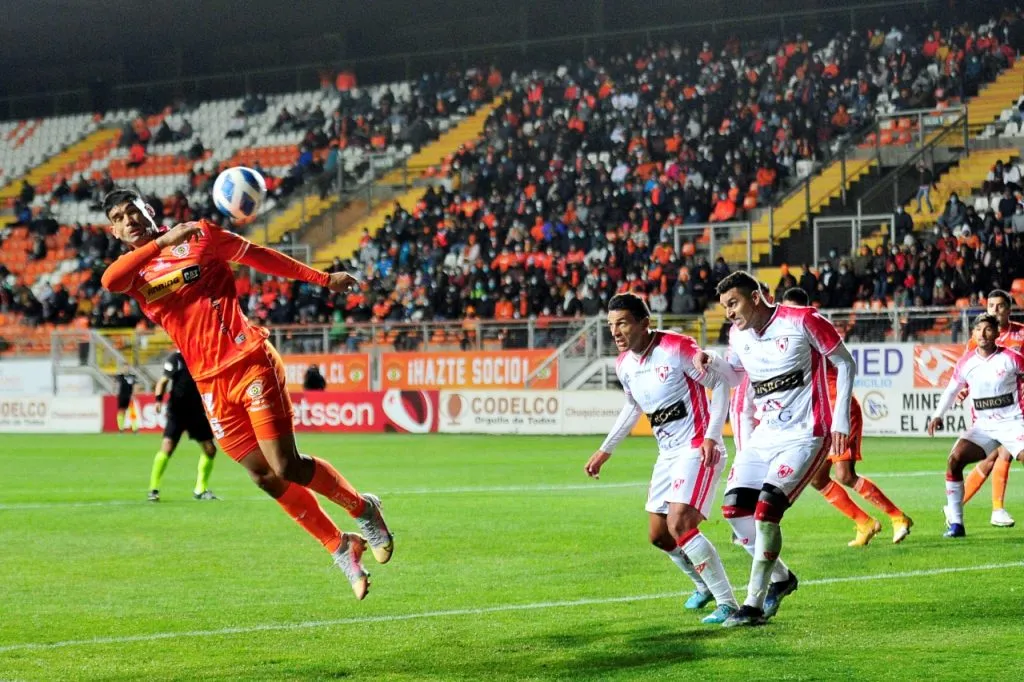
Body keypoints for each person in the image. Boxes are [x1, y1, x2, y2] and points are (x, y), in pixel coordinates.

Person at [99, 188, 392, 600]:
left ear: (149, 209)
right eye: (119, 217)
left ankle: (364, 509)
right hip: (209, 383)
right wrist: (162, 243)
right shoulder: (134, 273)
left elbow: (258, 255)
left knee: (284, 465)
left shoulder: (200, 235)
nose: (129, 219)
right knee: (262, 476)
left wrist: (323, 279)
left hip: (248, 358)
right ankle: (340, 546)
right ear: (113, 230)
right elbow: (108, 280)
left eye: (133, 210)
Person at [695, 271, 856, 627]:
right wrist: (712, 361)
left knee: (766, 511)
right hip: (764, 436)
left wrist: (840, 418)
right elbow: (737, 376)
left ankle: (752, 606)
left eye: (733, 303)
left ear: (755, 297)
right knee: (735, 512)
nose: (729, 313)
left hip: (806, 433)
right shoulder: (738, 335)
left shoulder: (803, 320)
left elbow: (845, 361)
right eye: (724, 307)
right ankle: (782, 578)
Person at [585, 293, 740, 625]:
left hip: (697, 447)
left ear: (645, 323)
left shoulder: (677, 348)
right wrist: (605, 449)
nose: (616, 332)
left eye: (623, 323)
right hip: (668, 454)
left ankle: (728, 603)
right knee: (659, 535)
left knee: (680, 523)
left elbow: (722, 384)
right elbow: (632, 407)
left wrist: (713, 435)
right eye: (611, 325)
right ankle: (704, 586)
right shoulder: (624, 364)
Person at [780, 288, 913, 546]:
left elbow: (842, 366)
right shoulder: (787, 341)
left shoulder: (813, 334)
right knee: (817, 478)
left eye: (792, 311)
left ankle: (898, 517)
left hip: (839, 411)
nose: (787, 317)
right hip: (818, 415)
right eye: (785, 311)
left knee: (845, 474)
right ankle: (864, 523)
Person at [928, 313, 1024, 538]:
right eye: (978, 329)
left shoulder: (1012, 358)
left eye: (988, 329)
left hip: (1012, 422)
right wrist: (937, 415)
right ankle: (957, 524)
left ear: (997, 333)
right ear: (973, 334)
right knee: (954, 460)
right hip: (983, 426)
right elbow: (952, 390)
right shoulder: (966, 363)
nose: (983, 333)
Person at [958, 289, 1024, 528]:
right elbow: (967, 372)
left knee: (991, 459)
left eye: (999, 306)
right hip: (991, 410)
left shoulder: (1021, 334)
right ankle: (997, 510)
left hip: (1017, 405)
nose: (994, 310)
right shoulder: (978, 338)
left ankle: (954, 506)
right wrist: (963, 390)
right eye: (991, 306)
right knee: (1003, 452)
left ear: (1009, 309)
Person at [149, 350, 219, 502]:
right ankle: (153, 489)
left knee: (210, 450)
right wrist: (158, 400)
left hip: (196, 412)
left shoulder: (202, 357)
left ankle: (200, 490)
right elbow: (163, 381)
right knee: (167, 447)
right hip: (177, 411)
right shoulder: (175, 358)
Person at [114, 366, 139, 433]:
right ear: (122, 369)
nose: (125, 369)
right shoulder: (119, 376)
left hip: (130, 396)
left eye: (127, 368)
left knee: (132, 412)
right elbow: (115, 384)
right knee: (121, 411)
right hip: (122, 396)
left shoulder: (132, 376)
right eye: (124, 368)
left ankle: (134, 428)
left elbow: (135, 385)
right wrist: (115, 392)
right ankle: (121, 428)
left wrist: (134, 394)